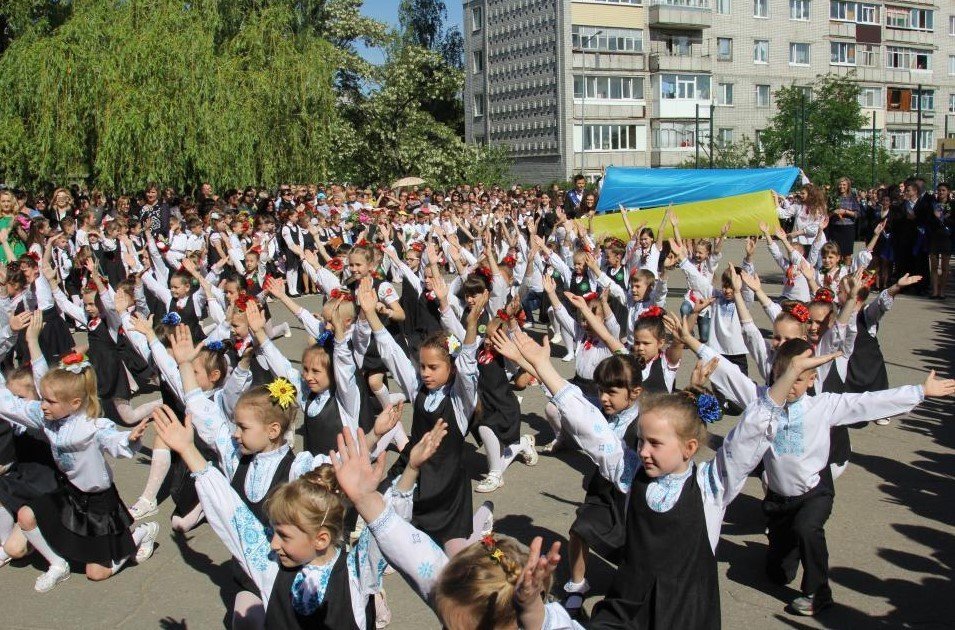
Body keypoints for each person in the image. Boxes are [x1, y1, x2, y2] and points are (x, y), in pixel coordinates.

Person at [151, 403, 446, 630]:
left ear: (321, 538)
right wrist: (188, 450)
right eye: (276, 532)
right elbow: (232, 513)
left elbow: (389, 528)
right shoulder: (271, 569)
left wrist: (411, 470)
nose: (274, 544)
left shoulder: (355, 575)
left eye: (284, 535)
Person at [0, 353, 160, 592]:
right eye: (43, 399)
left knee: (96, 573)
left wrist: (129, 437)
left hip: (98, 504)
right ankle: (58, 565)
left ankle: (141, 534)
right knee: (25, 515)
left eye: (50, 401)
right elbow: (12, 405)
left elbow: (112, 439)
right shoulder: (47, 416)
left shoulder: (92, 425)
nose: (43, 405)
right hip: (69, 492)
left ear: (75, 403)